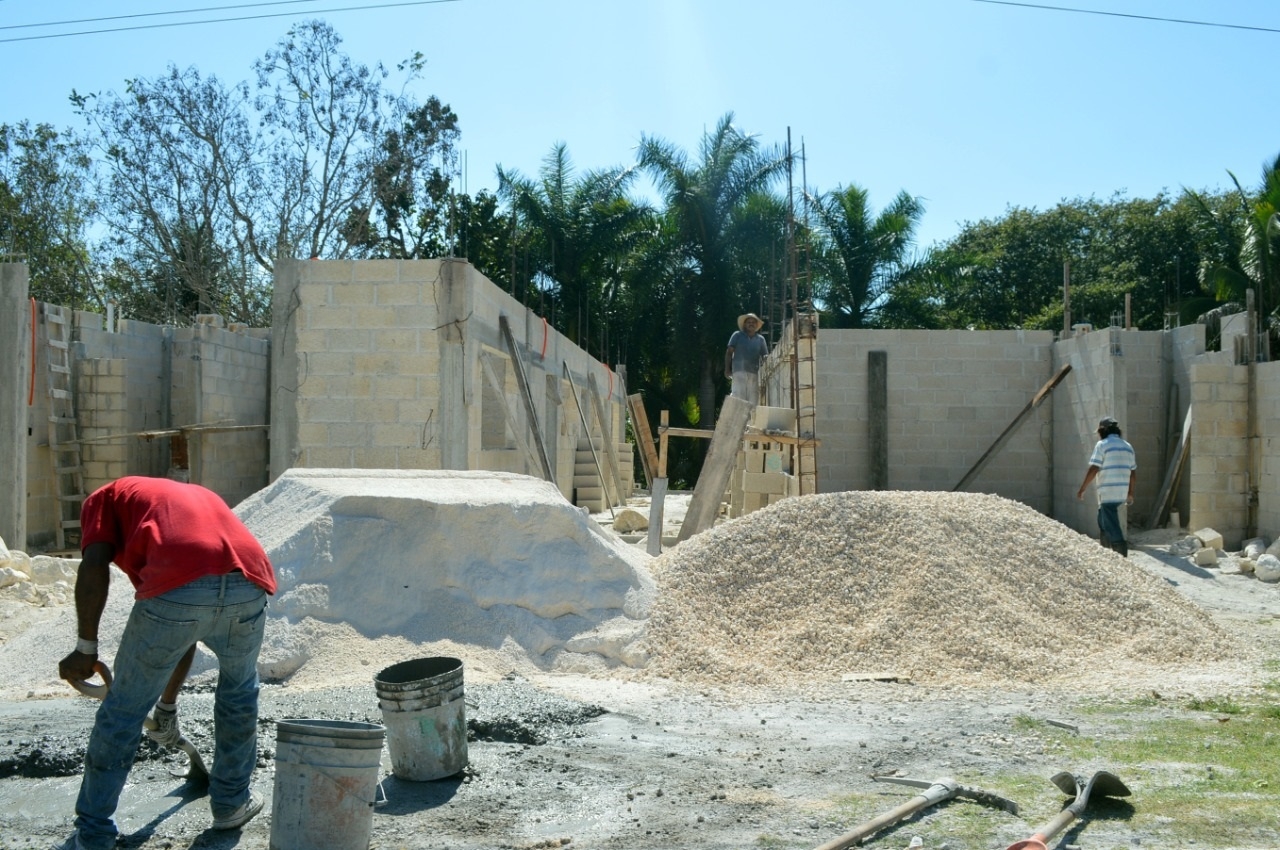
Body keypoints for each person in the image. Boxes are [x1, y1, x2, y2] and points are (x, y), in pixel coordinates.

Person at [55, 476, 276, 850]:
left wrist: (86, 648)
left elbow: (94, 565)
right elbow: (182, 640)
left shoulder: (102, 499)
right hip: (248, 579)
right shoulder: (189, 495)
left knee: (122, 710)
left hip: (181, 581)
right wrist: (166, 707)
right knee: (239, 692)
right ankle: (231, 805)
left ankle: (93, 834)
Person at [1076, 416, 1137, 557]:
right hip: (1122, 491)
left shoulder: (1102, 445)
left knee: (1111, 522)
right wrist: (1130, 493)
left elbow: (1094, 469)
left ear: (1103, 431)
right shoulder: (1128, 446)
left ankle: (1121, 556)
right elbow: (1133, 473)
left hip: (1108, 491)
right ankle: (1105, 551)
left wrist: (1082, 488)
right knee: (1102, 518)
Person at [724, 312, 769, 405]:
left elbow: (765, 356)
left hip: (754, 374)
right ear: (744, 324)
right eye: (749, 322)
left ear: (756, 325)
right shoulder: (737, 335)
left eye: (753, 322)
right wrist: (727, 369)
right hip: (739, 372)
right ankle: (738, 419)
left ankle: (750, 420)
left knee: (753, 401)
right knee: (738, 399)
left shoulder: (761, 339)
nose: (751, 324)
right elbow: (729, 352)